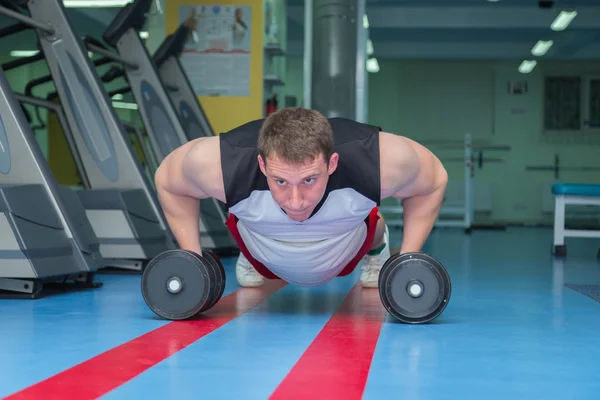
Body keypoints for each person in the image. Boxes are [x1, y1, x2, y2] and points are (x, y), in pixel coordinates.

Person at [154, 107, 448, 289]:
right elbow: (169, 181)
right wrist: (191, 260)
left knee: (374, 222)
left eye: (309, 179)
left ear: (332, 164)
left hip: (344, 248)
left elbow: (433, 181)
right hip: (261, 247)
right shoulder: (222, 164)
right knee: (248, 212)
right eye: (280, 181)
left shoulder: (378, 159)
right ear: (262, 165)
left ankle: (377, 250)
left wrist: (408, 259)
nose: (296, 201)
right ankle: (250, 254)